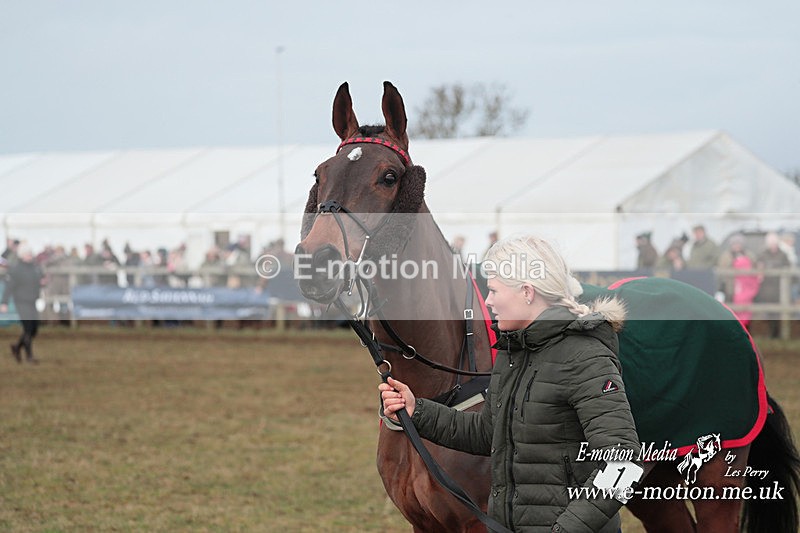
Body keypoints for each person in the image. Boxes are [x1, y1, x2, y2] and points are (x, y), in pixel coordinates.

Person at [380, 235, 641, 533]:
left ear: (527, 292)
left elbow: (624, 466)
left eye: (493, 290)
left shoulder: (585, 357)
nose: (488, 301)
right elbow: (488, 434)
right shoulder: (511, 353)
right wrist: (418, 411)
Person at [1, 243, 45, 364]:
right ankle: (29, 356)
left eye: (30, 253)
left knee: (34, 329)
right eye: (27, 254)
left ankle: (16, 347)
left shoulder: (35, 267)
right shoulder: (16, 269)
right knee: (28, 328)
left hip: (32, 301)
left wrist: (43, 282)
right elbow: (9, 287)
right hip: (21, 301)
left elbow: (41, 279)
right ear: (21, 255)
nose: (29, 256)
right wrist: (4, 302)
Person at [754, 232, 790, 338]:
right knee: (768, 312)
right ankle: (770, 334)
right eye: (771, 243)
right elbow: (757, 269)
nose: (773, 246)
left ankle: (778, 334)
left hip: (779, 289)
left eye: (774, 243)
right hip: (766, 289)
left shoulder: (783, 255)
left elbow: (788, 268)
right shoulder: (762, 254)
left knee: (778, 313)